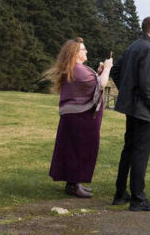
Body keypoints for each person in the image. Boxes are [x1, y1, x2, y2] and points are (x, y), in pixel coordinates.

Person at [45, 38, 112, 198]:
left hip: (77, 117)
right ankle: (74, 184)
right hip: (80, 117)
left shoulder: (76, 68)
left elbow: (95, 83)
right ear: (75, 54)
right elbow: (101, 85)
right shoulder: (78, 69)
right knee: (80, 149)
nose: (86, 51)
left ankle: (74, 183)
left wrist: (100, 73)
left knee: (75, 149)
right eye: (83, 49)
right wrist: (108, 68)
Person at [110, 17, 150, 212]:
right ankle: (138, 199)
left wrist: (127, 90)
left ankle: (120, 194)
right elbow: (148, 83)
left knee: (129, 149)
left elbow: (115, 70)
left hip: (130, 108)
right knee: (140, 153)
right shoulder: (149, 50)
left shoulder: (134, 46)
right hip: (144, 110)